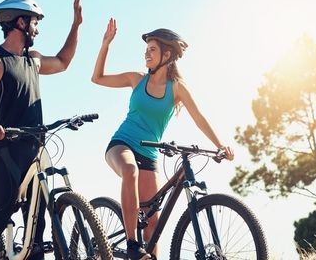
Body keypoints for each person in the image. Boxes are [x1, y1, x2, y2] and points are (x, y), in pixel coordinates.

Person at [91, 18, 234, 260]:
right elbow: (98, 78)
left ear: (167, 55)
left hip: (151, 153)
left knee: (153, 223)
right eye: (146, 50)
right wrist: (106, 43)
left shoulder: (176, 88)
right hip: (122, 143)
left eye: (152, 50)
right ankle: (132, 244)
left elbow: (199, 118)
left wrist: (220, 145)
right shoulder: (137, 79)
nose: (146, 54)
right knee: (129, 170)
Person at [0, 0, 82, 260]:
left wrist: (76, 25)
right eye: (35, 23)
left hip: (34, 147)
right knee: (1, 215)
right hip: (5, 149)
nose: (37, 29)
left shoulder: (33, 60)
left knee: (37, 225)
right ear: (21, 23)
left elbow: (63, 62)